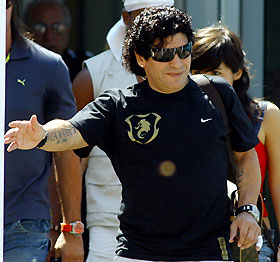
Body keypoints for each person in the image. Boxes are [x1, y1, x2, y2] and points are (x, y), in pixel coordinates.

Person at [5, 5, 262, 262]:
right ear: (141, 58)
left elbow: (245, 156)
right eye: (164, 53)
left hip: (209, 252)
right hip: (138, 253)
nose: (177, 62)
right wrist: (41, 136)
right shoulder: (118, 106)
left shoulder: (217, 93)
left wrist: (247, 210)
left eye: (184, 51)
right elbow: (71, 129)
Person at [72, 0, 174, 261]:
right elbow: (72, 155)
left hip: (174, 226)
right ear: (126, 17)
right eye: (145, 16)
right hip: (108, 222)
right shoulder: (92, 73)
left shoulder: (187, 71)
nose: (155, 25)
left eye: (162, 15)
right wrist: (68, 227)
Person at [191, 24, 280, 262]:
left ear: (237, 72)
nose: (204, 80)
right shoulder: (180, 115)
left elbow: (279, 185)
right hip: (193, 240)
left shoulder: (265, 115)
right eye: (197, 71)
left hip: (250, 240)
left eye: (215, 73)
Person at [5, 0, 83, 261]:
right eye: (42, 25)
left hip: (23, 224)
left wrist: (70, 230)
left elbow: (67, 148)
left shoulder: (48, 66)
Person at [23, 0, 93, 82]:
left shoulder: (85, 65)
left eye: (56, 27)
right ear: (26, 30)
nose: (49, 36)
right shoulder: (16, 65)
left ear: (68, 29)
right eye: (40, 28)